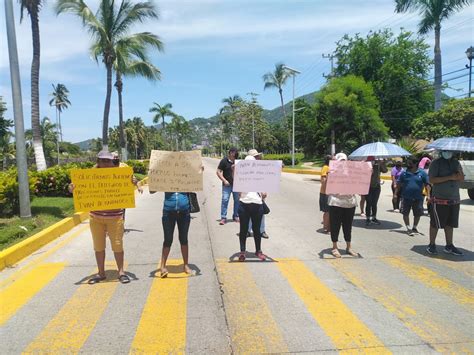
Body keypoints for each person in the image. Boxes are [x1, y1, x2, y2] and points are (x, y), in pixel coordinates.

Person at [69, 150, 133, 284]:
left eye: (108, 160)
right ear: (98, 162)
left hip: (115, 217)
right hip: (96, 217)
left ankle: (121, 272)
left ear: (112, 162)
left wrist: (133, 181)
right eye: (102, 160)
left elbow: (129, 186)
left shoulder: (119, 175)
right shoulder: (88, 176)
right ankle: (101, 273)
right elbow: (77, 189)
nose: (105, 163)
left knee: (117, 245)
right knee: (98, 246)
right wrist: (72, 188)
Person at [427, 151, 464, 256]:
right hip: (439, 199)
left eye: (450, 151)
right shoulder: (436, 163)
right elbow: (432, 179)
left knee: (450, 224)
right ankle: (432, 244)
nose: (448, 152)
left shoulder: (456, 163)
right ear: (442, 151)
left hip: (454, 199)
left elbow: (461, 178)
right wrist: (450, 177)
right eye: (446, 150)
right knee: (435, 223)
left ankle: (449, 245)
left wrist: (459, 173)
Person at [237, 149, 267, 262]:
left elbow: (264, 192)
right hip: (244, 204)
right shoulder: (240, 174)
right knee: (243, 230)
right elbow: (238, 190)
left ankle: (258, 251)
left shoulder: (259, 174)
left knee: (257, 229)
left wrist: (263, 194)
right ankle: (242, 252)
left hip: (257, 204)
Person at [327, 153, 358, 258]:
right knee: (335, 225)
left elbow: (359, 184)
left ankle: (348, 247)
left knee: (348, 226)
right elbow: (327, 187)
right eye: (341, 161)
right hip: (336, 202)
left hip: (350, 203)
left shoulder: (353, 173)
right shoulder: (332, 172)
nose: (343, 163)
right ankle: (334, 247)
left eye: (345, 161)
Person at [158, 191, 194, 277]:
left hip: (184, 212)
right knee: (168, 239)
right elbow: (152, 190)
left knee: (184, 239)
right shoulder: (164, 178)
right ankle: (163, 266)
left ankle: (185, 265)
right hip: (168, 211)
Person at [397, 157, 430, 236]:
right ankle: (408, 228)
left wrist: (428, 195)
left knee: (418, 214)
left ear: (415, 164)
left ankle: (414, 227)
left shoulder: (422, 173)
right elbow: (399, 183)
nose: (408, 164)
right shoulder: (404, 173)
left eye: (410, 162)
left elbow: (427, 185)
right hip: (406, 197)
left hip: (418, 197)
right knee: (405, 213)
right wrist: (396, 194)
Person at [217, 148, 239, 225]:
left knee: (237, 201)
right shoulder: (224, 161)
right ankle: (223, 217)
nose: (234, 154)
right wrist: (224, 180)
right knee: (225, 200)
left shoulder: (238, 162)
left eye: (235, 152)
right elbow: (218, 172)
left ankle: (236, 216)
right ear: (229, 153)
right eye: (233, 152)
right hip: (227, 186)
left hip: (236, 185)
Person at [365, 156, 388, 226]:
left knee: (374, 203)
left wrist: (382, 163)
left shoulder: (378, 165)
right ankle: (368, 218)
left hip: (376, 186)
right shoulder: (365, 166)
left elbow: (385, 170)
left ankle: (374, 217)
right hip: (367, 186)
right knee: (369, 203)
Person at [319, 155, 331, 233]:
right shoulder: (325, 167)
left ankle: (327, 227)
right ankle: (325, 227)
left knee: (329, 211)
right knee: (327, 211)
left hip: (329, 192)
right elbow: (323, 180)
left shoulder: (330, 168)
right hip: (325, 192)